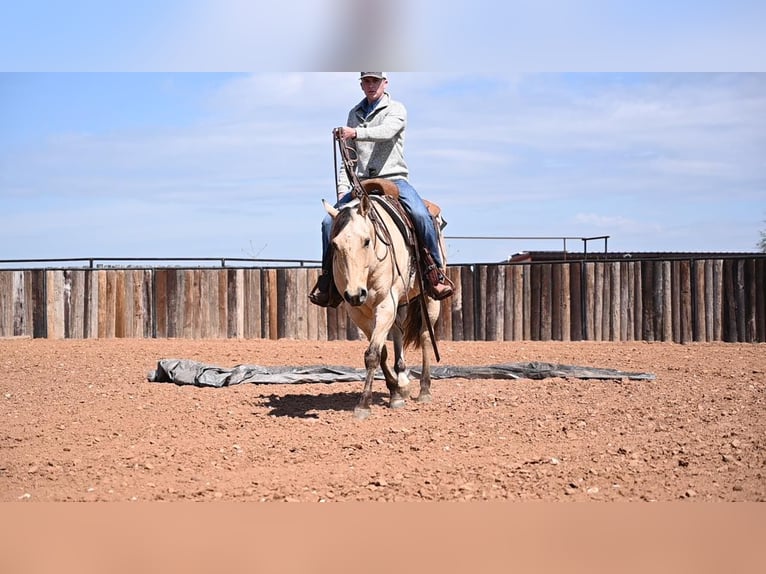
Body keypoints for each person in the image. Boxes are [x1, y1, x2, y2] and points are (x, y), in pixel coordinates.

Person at [309, 72, 454, 307]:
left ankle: (433, 272)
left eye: (375, 81)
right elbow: (348, 157)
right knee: (328, 223)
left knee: (420, 214)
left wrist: (355, 132)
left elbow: (386, 132)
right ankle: (327, 280)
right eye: (366, 81)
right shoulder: (354, 114)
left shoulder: (396, 110)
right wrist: (342, 189)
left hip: (395, 179)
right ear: (361, 84)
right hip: (361, 184)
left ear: (384, 83)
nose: (370, 85)